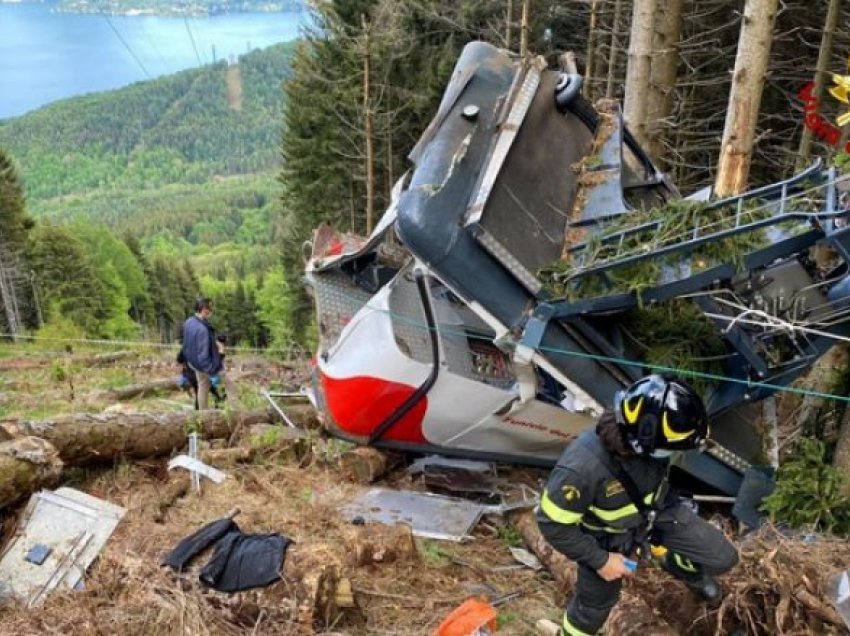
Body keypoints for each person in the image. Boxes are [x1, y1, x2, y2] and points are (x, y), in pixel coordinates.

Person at [536, 374, 739, 636]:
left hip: (657, 512)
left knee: (723, 557)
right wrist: (601, 561)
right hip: (605, 538)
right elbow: (552, 524)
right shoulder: (581, 469)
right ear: (640, 441)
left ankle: (676, 562)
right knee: (593, 609)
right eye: (667, 450)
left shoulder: (650, 437)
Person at [180, 298, 224, 410]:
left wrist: (186, 364)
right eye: (210, 309)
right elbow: (203, 355)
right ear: (204, 310)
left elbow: (186, 345)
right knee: (231, 387)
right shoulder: (202, 329)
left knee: (202, 387)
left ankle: (203, 416)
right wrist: (212, 372)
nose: (211, 312)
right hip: (204, 366)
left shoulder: (189, 322)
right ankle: (238, 415)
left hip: (194, 364)